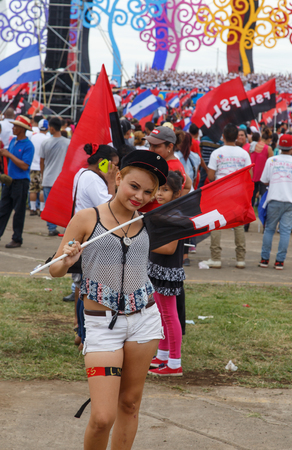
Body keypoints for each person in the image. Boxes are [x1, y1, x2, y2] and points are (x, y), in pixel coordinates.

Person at [49, 150, 168, 450]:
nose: (139, 196)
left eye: (148, 191)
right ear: (118, 177)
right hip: (102, 326)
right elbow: (54, 269)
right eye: (133, 186)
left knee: (129, 404)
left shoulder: (150, 222)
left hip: (144, 322)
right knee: (102, 416)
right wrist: (68, 258)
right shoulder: (89, 217)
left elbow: (176, 244)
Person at [71, 143, 119, 349]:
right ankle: (83, 334)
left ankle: (79, 332)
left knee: (82, 286)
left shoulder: (82, 173)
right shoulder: (93, 179)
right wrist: (111, 182)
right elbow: (111, 208)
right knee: (89, 290)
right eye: (114, 165)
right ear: (104, 163)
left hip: (86, 238)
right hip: (93, 240)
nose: (116, 169)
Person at [148, 171, 185, 376]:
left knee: (170, 316)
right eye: (158, 189)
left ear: (177, 193)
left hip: (167, 271)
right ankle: (162, 355)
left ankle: (174, 362)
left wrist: (143, 244)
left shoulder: (175, 217)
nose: (159, 194)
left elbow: (170, 248)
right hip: (157, 268)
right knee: (160, 314)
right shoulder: (164, 213)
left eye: (165, 190)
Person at [203, 123, 251, 269]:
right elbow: (250, 175)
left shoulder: (217, 153)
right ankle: (240, 259)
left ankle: (216, 258)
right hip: (238, 191)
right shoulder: (244, 153)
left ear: (222, 136)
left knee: (216, 223)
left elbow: (210, 176)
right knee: (238, 224)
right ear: (237, 137)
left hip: (221, 191)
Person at [259, 134, 292, 270]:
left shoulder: (271, 161)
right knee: (285, 232)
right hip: (291, 201)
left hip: (274, 199)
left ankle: (264, 259)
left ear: (278, 146)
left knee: (269, 230)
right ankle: (279, 262)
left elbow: (264, 180)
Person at [0, 115, 34, 248]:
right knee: (3, 209)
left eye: (15, 126)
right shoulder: (13, 141)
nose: (13, 128)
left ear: (21, 129)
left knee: (18, 212)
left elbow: (25, 166)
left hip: (21, 182)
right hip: (10, 181)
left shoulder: (28, 145)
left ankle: (17, 238)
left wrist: (9, 155)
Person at [40, 117, 69, 236]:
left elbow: (42, 161)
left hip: (48, 178)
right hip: (63, 180)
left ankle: (51, 228)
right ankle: (66, 227)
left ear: (51, 128)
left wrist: (43, 174)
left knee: (49, 205)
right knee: (64, 205)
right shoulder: (68, 142)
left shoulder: (45, 142)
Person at [29, 119, 50, 216]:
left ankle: (32, 209)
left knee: (33, 189)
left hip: (33, 166)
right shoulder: (48, 138)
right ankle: (42, 209)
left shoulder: (33, 137)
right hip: (43, 167)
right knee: (42, 189)